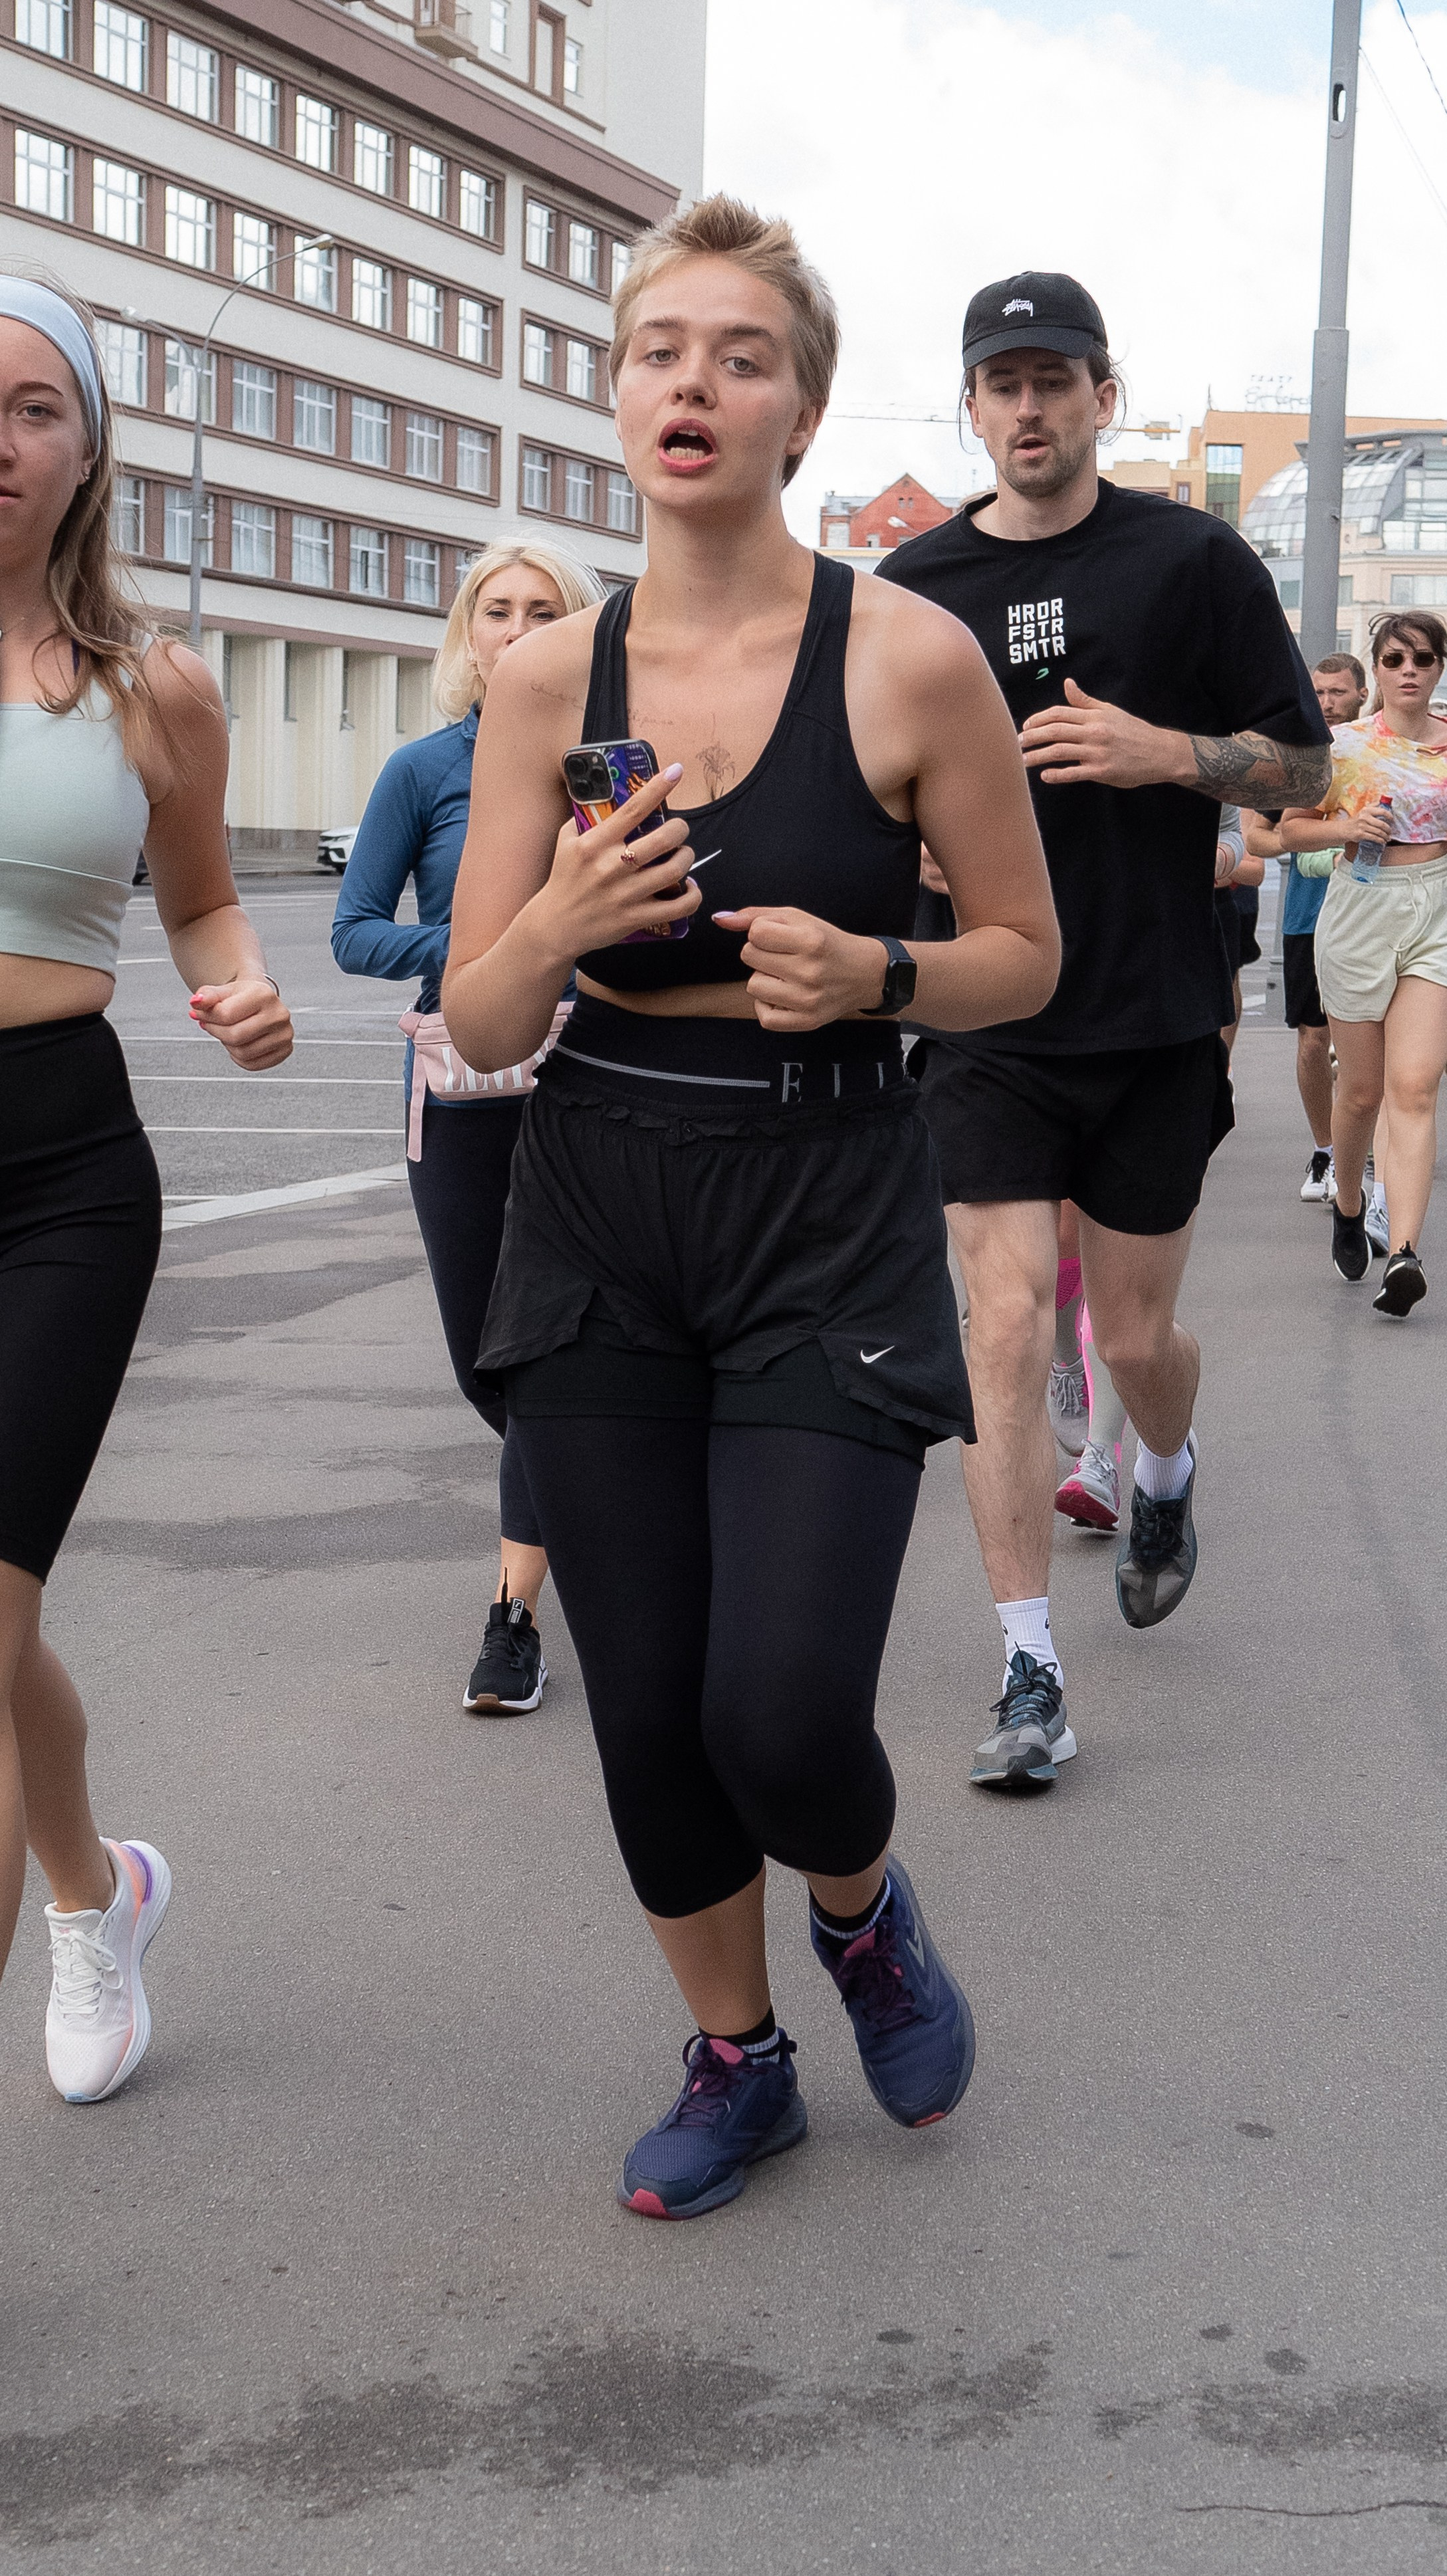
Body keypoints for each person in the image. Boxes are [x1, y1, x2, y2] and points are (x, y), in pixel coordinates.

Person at [442, 196, 1059, 2217]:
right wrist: (562, 911)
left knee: (780, 1705)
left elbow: (1021, 957)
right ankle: (735, 2060)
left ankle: (864, 1914)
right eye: (654, 352)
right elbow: (477, 1005)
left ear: (795, 409)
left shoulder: (910, 656)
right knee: (649, 1719)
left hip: (821, 1192)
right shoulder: (542, 680)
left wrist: (879, 972)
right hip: (600, 1190)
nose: (689, 382)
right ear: (613, 398)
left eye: (737, 354)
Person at [877, 271, 1331, 1789]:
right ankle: (1030, 1666)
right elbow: (859, 786)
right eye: (1001, 381)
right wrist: (906, 848)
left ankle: (1166, 1464)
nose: (1027, 407)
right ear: (972, 401)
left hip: (1146, 1017)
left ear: (1101, 394)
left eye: (1053, 379)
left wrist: (1160, 751)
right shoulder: (913, 585)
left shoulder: (1190, 561)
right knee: (1000, 1323)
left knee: (1131, 1335)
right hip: (986, 1010)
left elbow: (1298, 768)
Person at [0, 275, 292, 2099]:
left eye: (33, 404)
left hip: (56, 1171)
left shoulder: (148, 686)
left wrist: (241, 988)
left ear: (86, 440)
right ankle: (95, 1894)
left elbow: (198, 900)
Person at [331, 542, 604, 1713]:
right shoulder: (423, 770)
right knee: (483, 1360)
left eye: (545, 611)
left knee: (550, 1357)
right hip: (459, 1086)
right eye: (498, 610)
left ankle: (514, 1616)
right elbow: (354, 931)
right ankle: (611, 1512)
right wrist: (484, 955)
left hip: (597, 1086)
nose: (518, 627)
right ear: (467, 633)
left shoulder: (612, 770)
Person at [1280, 610, 1447, 1316]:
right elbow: (1285, 828)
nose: (1407, 669)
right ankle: (1348, 1205)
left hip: (1435, 909)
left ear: (1438, 667)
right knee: (1361, 1092)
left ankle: (1403, 1251)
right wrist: (1346, 825)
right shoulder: (1341, 744)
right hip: (1358, 908)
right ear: (1375, 669)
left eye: (1422, 658)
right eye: (1393, 658)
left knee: (1414, 1085)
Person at [1244, 652, 1368, 1206]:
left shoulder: (1377, 751)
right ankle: (1324, 1149)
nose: (1326, 702)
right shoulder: (1294, 759)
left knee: (1369, 1047)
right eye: (1317, 692)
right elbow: (1256, 838)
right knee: (1312, 1040)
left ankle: (1364, 1156)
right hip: (1306, 916)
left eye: (1337, 692)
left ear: (1360, 695)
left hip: (1371, 916)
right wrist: (1328, 838)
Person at [1212, 806, 1264, 1053]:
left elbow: (1256, 871)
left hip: (1230, 901)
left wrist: (1223, 863)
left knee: (1229, 981)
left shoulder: (1240, 806)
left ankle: (1223, 1060)